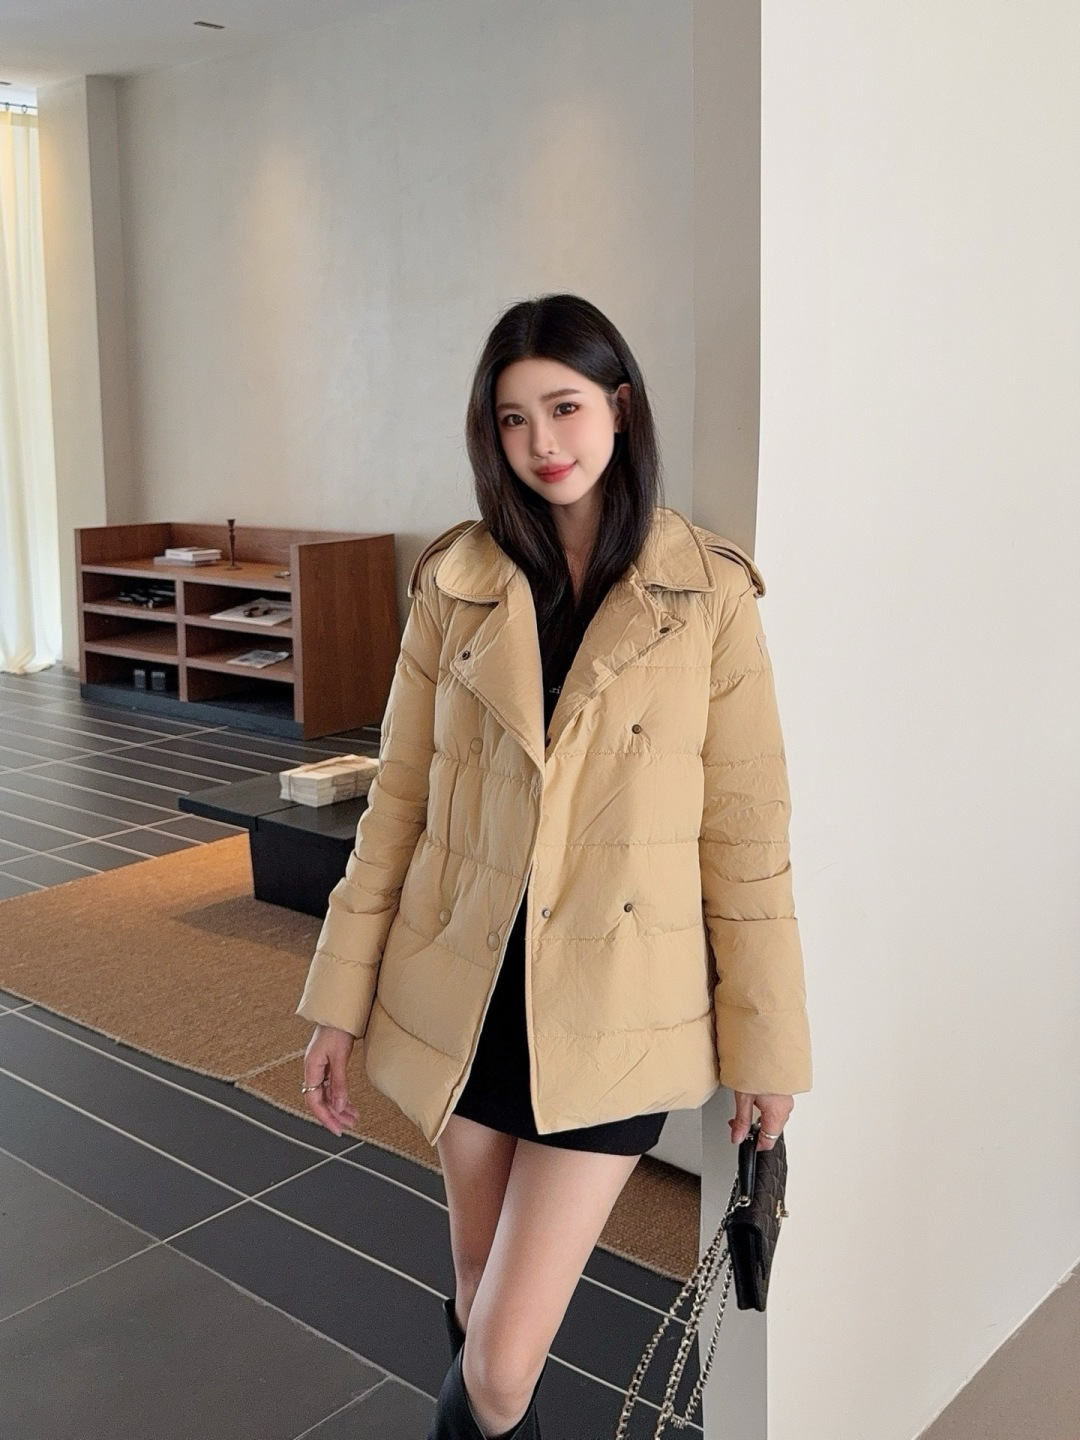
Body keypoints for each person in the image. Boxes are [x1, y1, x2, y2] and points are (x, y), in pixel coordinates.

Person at [294, 293, 813, 1439]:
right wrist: (337, 1000)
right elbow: (398, 804)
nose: (543, 442)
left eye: (565, 407)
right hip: (466, 990)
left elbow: (746, 837)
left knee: (497, 1364)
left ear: (620, 407)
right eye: (514, 418)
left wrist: (768, 1048)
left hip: (615, 1008)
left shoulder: (709, 594)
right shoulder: (457, 581)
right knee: (478, 1295)